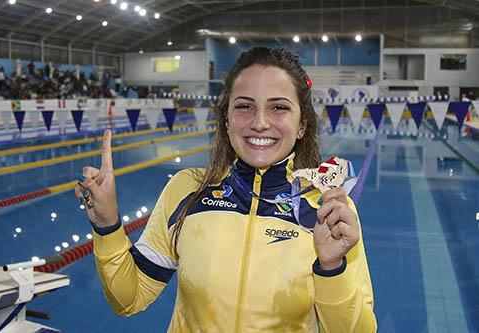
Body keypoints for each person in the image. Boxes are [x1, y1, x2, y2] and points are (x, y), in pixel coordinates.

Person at [75, 47, 377, 332]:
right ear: (227, 119)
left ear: (302, 125)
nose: (260, 122)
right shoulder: (188, 190)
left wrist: (331, 267)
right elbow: (129, 298)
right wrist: (107, 226)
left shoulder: (327, 211)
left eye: (279, 107)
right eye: (245, 106)